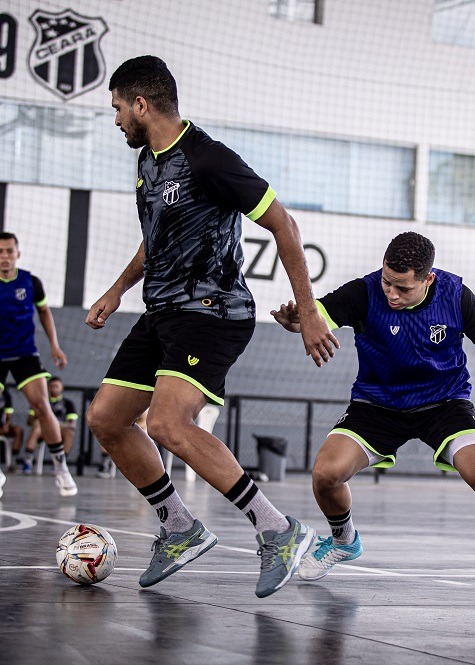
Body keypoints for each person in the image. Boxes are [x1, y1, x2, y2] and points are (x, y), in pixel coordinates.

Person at [85, 55, 339, 598]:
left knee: (167, 424)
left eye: (116, 109)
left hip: (213, 312)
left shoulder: (208, 159)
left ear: (140, 104)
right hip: (163, 312)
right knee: (106, 418)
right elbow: (156, 238)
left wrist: (310, 308)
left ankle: (278, 531)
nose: (115, 121)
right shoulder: (147, 163)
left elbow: (284, 224)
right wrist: (117, 289)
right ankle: (180, 526)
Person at [271, 232, 475, 602]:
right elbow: (313, 318)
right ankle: (344, 540)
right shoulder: (364, 293)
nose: (391, 294)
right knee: (325, 475)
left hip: (444, 404)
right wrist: (294, 321)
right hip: (377, 405)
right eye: (387, 282)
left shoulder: (456, 297)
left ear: (427, 279)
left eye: (402, 287)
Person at [0, 232, 77, 500]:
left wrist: (54, 345)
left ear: (17, 254)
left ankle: (60, 467)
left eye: (10, 251)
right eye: (0, 251)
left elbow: (44, 312)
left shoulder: (31, 282)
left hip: (25, 353)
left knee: (42, 406)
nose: (5, 256)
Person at [20, 376, 77, 475]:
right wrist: (36, 421)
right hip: (43, 430)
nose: (54, 388)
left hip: (60, 430)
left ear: (62, 387)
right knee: (36, 428)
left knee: (70, 433)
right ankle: (27, 462)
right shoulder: (40, 402)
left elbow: (72, 424)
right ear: (47, 387)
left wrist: (57, 424)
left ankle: (59, 463)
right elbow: (29, 422)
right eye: (51, 386)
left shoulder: (68, 404)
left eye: (56, 386)